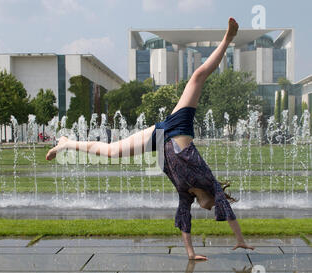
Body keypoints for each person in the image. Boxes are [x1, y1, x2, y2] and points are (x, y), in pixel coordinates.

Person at [46, 18, 254, 260]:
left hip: (160, 138)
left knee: (112, 153)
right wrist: (240, 239)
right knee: (198, 76)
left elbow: (184, 221)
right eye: (213, 207)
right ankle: (228, 38)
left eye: (208, 209)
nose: (208, 209)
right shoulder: (210, 183)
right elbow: (227, 210)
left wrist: (190, 254)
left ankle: (66, 143)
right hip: (178, 126)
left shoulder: (186, 193)